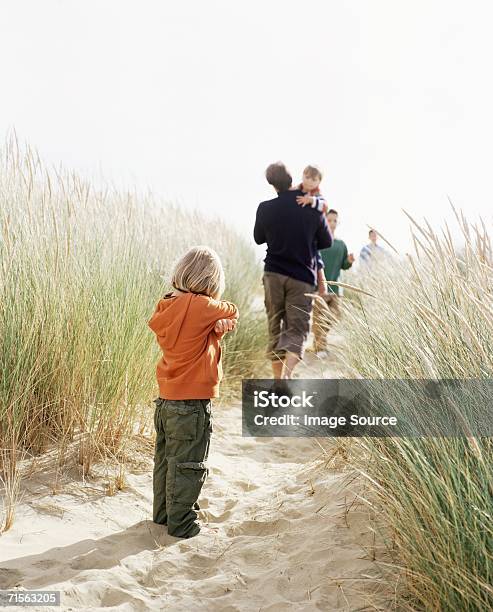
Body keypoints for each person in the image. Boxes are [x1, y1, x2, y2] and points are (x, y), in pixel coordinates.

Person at [148, 246, 239, 538]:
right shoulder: (202, 306)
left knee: (166, 460)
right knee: (188, 464)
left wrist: (216, 329)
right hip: (191, 405)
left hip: (166, 401)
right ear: (210, 282)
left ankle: (163, 516)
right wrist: (220, 317)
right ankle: (182, 524)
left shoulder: (167, 304)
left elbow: (194, 336)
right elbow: (232, 310)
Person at [253, 162, 332, 379]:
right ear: (292, 179)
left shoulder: (265, 208)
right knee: (297, 329)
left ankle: (279, 380)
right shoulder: (310, 208)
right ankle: (286, 376)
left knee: (275, 325)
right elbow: (326, 241)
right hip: (302, 277)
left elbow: (258, 238)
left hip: (274, 274)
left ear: (272, 184)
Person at [311, 209, 354, 357]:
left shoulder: (341, 244)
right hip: (319, 288)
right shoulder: (317, 241)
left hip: (336, 288)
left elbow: (344, 265)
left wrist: (349, 261)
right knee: (319, 317)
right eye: (329, 220)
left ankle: (318, 340)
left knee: (334, 316)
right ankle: (320, 347)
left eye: (335, 220)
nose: (332, 223)